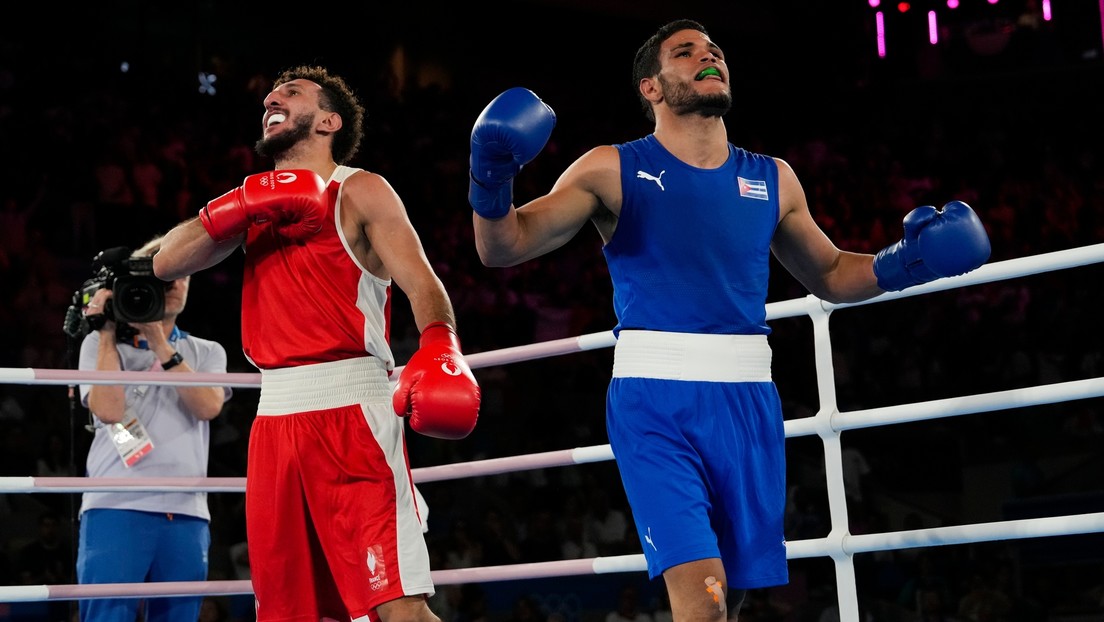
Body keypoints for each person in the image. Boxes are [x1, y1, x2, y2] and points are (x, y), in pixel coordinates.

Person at [466, 19, 990, 622]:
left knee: (731, 602)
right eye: (684, 53)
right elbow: (503, 246)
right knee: (705, 602)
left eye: (714, 49)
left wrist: (912, 262)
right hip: (656, 403)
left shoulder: (774, 178)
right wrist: (491, 175)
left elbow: (833, 273)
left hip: (748, 402)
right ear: (651, 88)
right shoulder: (612, 168)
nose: (707, 57)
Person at [153, 64, 481, 622]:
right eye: (270, 94)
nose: (271, 98)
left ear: (328, 120)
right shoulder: (254, 204)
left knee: (396, 606)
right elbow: (164, 261)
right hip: (274, 418)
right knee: (288, 612)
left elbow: (424, 282)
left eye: (292, 92)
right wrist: (242, 204)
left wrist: (440, 344)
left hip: (351, 410)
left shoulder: (361, 189)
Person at [77, 234, 232, 622]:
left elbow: (208, 406)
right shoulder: (98, 346)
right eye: (166, 276)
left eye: (184, 275)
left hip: (187, 512)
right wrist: (107, 333)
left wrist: (160, 343)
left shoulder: (207, 351)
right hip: (115, 506)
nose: (177, 283)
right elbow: (110, 412)